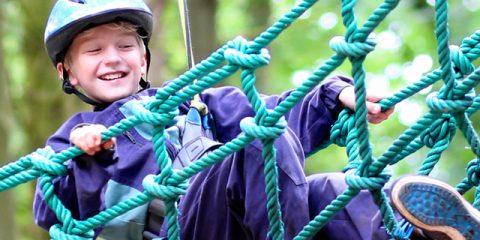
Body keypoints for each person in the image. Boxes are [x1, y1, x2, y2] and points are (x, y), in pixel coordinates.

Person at [32, 0, 400, 239]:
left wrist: (337, 95)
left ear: (143, 59)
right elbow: (47, 206)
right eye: (94, 50)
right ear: (69, 73)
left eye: (125, 46)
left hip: (236, 222)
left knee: (337, 191)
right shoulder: (72, 139)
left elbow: (281, 113)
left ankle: (410, 226)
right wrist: (82, 148)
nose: (112, 58)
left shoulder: (195, 104)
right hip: (178, 229)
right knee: (258, 138)